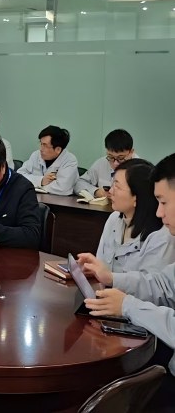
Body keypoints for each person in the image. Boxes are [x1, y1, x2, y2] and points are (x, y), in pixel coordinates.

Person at [81, 154, 175, 407]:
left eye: (164, 202)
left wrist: (128, 305)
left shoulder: (162, 235)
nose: (159, 212)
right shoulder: (115, 219)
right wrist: (111, 277)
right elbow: (163, 285)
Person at [89, 159, 175, 274]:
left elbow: (150, 283)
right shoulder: (114, 219)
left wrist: (111, 279)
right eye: (112, 184)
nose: (110, 191)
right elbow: (100, 266)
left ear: (137, 197)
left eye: (117, 187)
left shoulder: (162, 236)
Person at [17, 125, 79, 195]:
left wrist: (35, 184)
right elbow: (19, 177)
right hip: (35, 197)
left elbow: (62, 189)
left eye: (45, 145)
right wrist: (41, 181)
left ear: (58, 149)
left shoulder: (70, 160)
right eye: (41, 144)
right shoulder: (36, 155)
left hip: (58, 200)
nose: (41, 149)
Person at [75, 129, 137, 198]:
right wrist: (96, 191)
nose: (115, 163)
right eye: (111, 157)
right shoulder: (101, 163)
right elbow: (79, 184)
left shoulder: (141, 169)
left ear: (131, 152)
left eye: (120, 158)